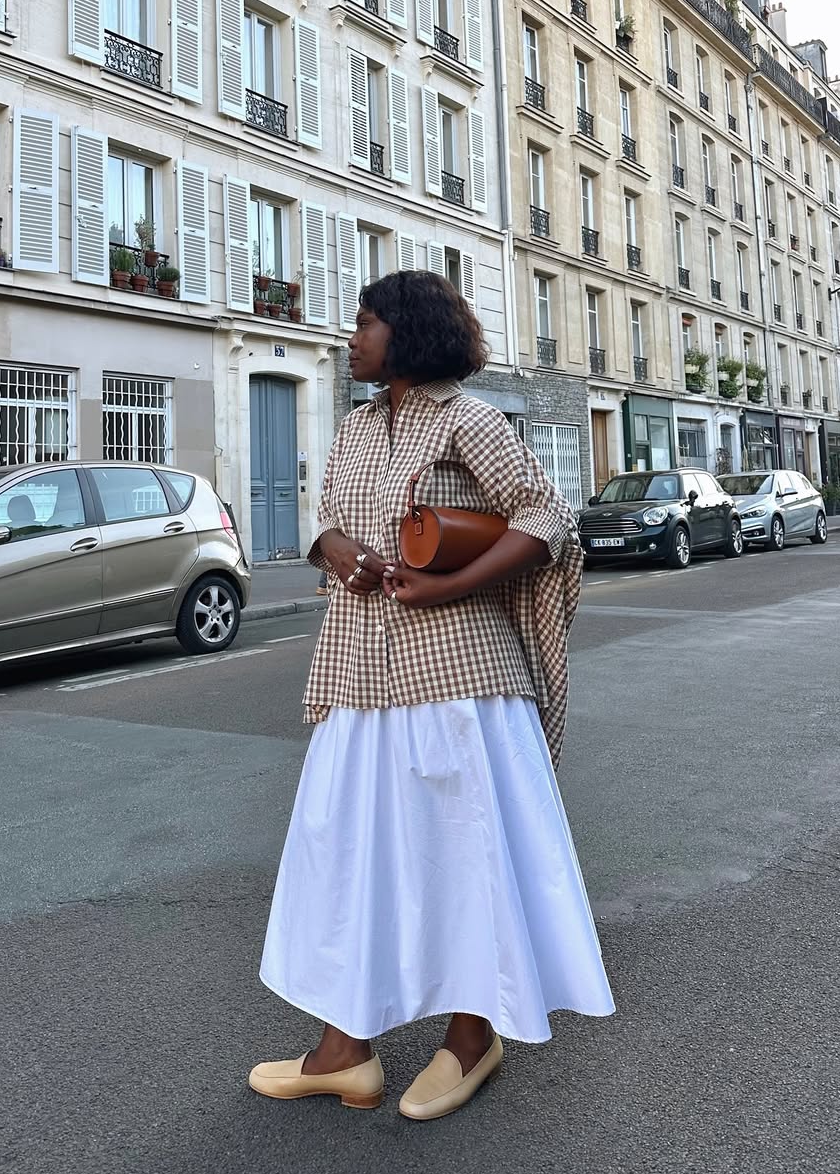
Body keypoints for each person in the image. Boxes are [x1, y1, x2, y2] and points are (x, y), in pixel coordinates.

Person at [250, 271, 613, 1121]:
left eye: (365, 323)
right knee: (344, 854)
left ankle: (471, 1035)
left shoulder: (469, 420)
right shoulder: (353, 426)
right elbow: (327, 519)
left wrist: (452, 588)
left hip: (458, 675)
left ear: (406, 334)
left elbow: (545, 518)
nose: (352, 337)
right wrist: (334, 549)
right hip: (356, 668)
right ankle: (345, 1053)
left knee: (464, 853)